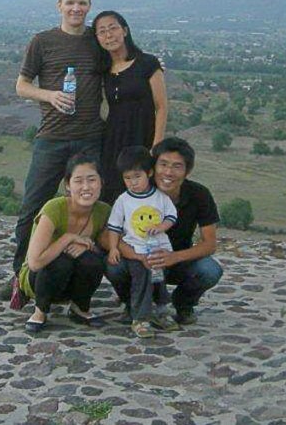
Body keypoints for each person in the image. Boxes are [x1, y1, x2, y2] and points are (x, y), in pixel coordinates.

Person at [1, 0, 105, 298]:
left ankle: (82, 280)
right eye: (70, 3)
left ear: (90, 6)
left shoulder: (98, 40)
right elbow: (21, 85)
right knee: (33, 207)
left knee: (91, 210)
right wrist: (49, 95)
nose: (77, 9)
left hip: (90, 139)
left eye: (83, 3)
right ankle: (21, 277)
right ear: (58, 6)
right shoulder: (42, 42)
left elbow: (125, 62)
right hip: (52, 138)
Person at [104, 137, 222, 326]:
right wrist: (135, 255)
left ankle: (183, 304)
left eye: (177, 166)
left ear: (187, 171)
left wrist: (174, 257)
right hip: (138, 260)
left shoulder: (199, 194)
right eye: (163, 164)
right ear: (152, 167)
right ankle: (132, 304)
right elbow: (107, 234)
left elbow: (209, 244)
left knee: (210, 270)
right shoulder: (132, 190)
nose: (168, 172)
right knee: (114, 266)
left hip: (177, 261)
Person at [18, 154, 112, 334]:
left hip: (72, 279)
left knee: (92, 260)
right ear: (68, 185)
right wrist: (68, 238)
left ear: (101, 182)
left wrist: (88, 244)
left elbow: (107, 246)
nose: (86, 187)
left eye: (92, 180)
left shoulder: (103, 211)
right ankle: (40, 311)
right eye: (78, 181)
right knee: (61, 262)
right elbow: (35, 262)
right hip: (40, 278)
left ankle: (80, 308)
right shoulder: (54, 208)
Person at [104, 146, 179, 338]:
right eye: (127, 178)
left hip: (159, 250)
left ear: (149, 173)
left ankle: (161, 312)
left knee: (159, 281)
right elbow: (114, 227)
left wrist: (162, 227)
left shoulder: (160, 197)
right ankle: (140, 318)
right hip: (136, 251)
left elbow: (171, 216)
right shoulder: (123, 200)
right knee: (142, 279)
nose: (132, 183)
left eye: (137, 177)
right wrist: (113, 247)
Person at [93, 10, 167, 204]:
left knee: (142, 193)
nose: (109, 35)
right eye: (102, 31)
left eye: (113, 28)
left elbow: (161, 107)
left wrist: (156, 145)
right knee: (112, 193)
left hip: (142, 136)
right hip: (113, 140)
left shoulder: (148, 63)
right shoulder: (103, 70)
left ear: (125, 30)